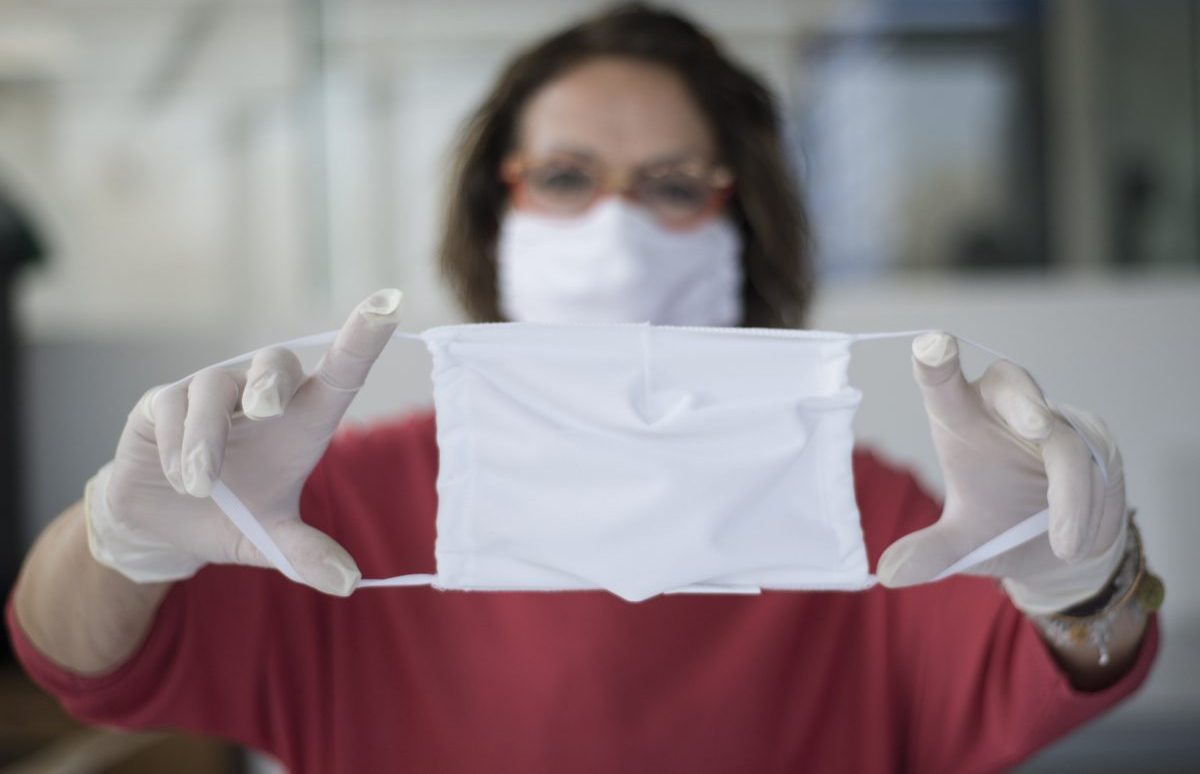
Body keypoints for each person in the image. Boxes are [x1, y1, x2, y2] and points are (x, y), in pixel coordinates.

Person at [7, 5, 1159, 773]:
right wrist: (119, 538)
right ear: (493, 216)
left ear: (746, 224)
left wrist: (1086, 578)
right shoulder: (340, 500)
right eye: (564, 177)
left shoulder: (853, 508)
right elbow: (75, 660)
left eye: (674, 185)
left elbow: (1068, 673)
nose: (616, 225)